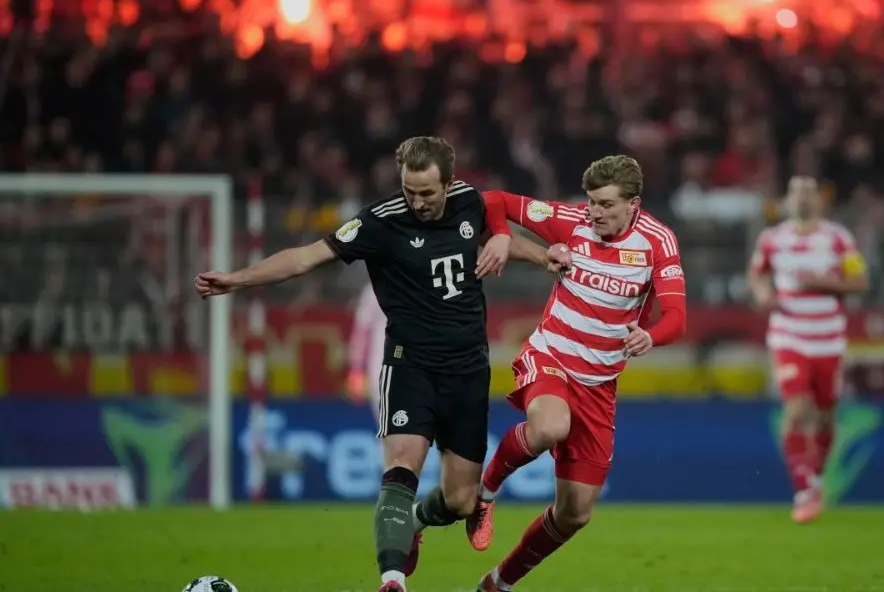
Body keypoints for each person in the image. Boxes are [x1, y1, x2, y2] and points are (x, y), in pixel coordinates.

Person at [194, 136, 551, 592]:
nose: (418, 202)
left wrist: (544, 257)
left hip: (467, 370)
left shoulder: (469, 205)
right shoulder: (379, 223)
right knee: (401, 467)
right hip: (408, 366)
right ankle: (393, 579)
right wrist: (236, 280)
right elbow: (307, 258)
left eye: (427, 192)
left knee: (462, 500)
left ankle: (417, 521)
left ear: (449, 183)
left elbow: (504, 241)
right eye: (409, 191)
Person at [465, 155, 689, 592]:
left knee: (576, 513)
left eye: (605, 204)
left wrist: (651, 336)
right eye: (591, 202)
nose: (595, 213)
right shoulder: (570, 220)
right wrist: (502, 238)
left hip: (599, 383)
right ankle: (485, 492)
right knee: (549, 426)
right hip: (551, 354)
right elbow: (493, 200)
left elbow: (677, 317)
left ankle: (498, 583)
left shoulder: (658, 241)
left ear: (634, 204)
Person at [746, 176, 870, 523]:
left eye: (808, 192)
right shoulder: (772, 239)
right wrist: (761, 294)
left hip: (828, 337)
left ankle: (814, 478)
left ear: (819, 200)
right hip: (790, 335)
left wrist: (822, 282)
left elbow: (861, 282)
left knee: (826, 414)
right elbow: (756, 274)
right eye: (795, 192)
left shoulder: (838, 238)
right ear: (787, 199)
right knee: (797, 409)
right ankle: (805, 489)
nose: (801, 198)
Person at [347, 282, 387, 412]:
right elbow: (362, 331)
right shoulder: (374, 289)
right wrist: (356, 369)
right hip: (382, 367)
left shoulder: (425, 283)